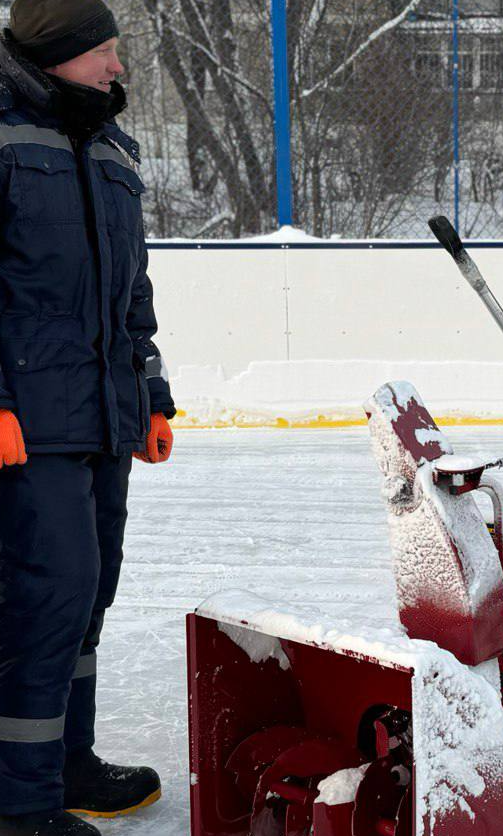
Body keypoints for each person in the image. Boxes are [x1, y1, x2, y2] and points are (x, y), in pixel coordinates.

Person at [0, 1, 175, 834]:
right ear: (60, 54)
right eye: (104, 51)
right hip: (24, 424)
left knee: (88, 595)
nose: (117, 66)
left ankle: (70, 765)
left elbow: (130, 293)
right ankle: (21, 803)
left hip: (101, 416)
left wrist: (153, 394)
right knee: (45, 596)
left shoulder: (107, 146)